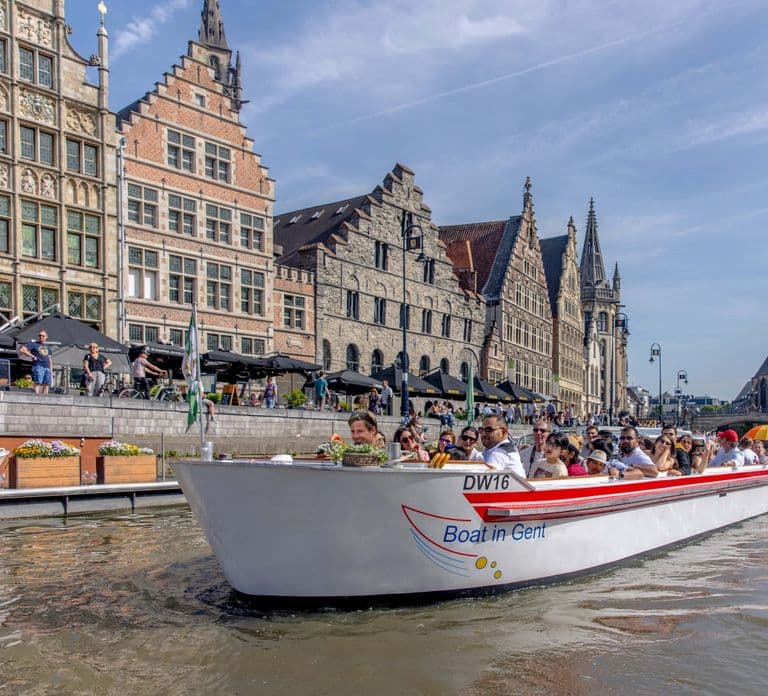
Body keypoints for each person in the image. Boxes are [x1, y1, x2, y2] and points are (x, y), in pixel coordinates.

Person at [19, 330, 54, 395]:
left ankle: (44, 399)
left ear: (46, 337)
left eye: (43, 336)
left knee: (47, 383)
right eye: (40, 335)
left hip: (47, 367)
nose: (41, 337)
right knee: (38, 382)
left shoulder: (48, 347)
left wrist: (51, 370)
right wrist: (32, 356)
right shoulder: (34, 344)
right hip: (38, 365)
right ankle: (36, 397)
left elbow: (49, 359)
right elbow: (22, 350)